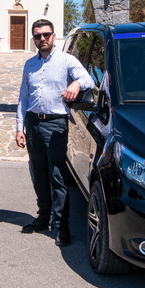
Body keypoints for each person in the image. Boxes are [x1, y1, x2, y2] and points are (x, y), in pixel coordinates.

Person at [15, 19, 94, 246]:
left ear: (54, 35)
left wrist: (76, 84)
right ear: (34, 38)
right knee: (38, 173)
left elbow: (87, 79)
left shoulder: (67, 61)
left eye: (46, 35)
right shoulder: (30, 64)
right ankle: (43, 217)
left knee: (57, 176)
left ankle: (61, 227)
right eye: (38, 36)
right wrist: (19, 127)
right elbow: (23, 97)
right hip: (33, 123)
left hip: (56, 124)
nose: (42, 39)